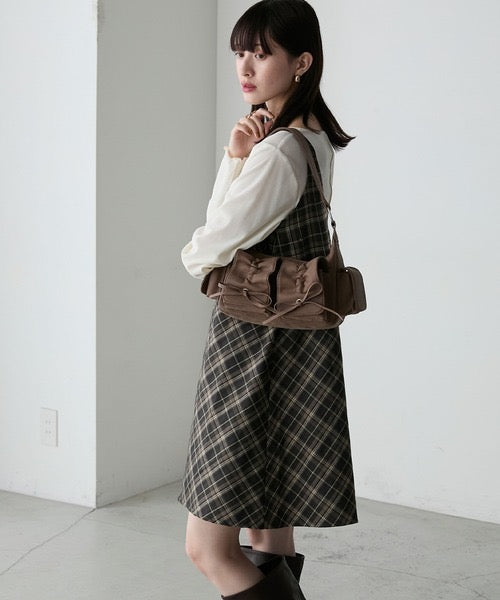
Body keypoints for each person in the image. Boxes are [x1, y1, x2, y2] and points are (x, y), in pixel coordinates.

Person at [178, 1, 358, 598]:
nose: (246, 68)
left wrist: (235, 162)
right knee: (267, 522)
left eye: (262, 54)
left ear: (302, 62)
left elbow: (206, 250)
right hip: (296, 349)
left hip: (251, 347)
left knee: (208, 548)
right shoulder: (313, 139)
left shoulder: (278, 152)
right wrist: (239, 156)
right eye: (240, 53)